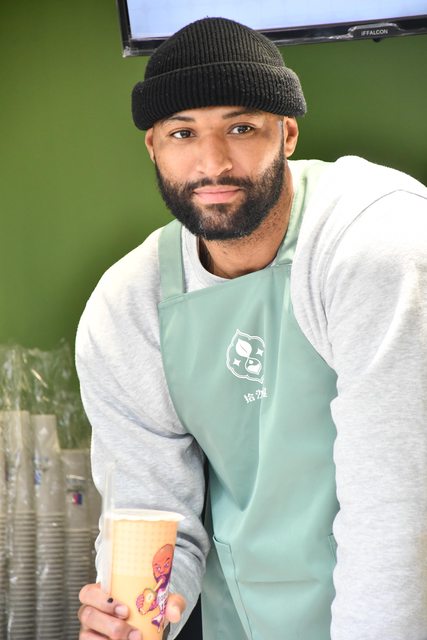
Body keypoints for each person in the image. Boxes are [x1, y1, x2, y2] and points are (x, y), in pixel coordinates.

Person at [75, 16, 427, 640]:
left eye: (241, 128)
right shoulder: (129, 306)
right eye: (183, 133)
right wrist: (134, 616)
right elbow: (151, 516)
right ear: (153, 146)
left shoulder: (376, 243)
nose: (212, 163)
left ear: (287, 133)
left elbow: (396, 509)